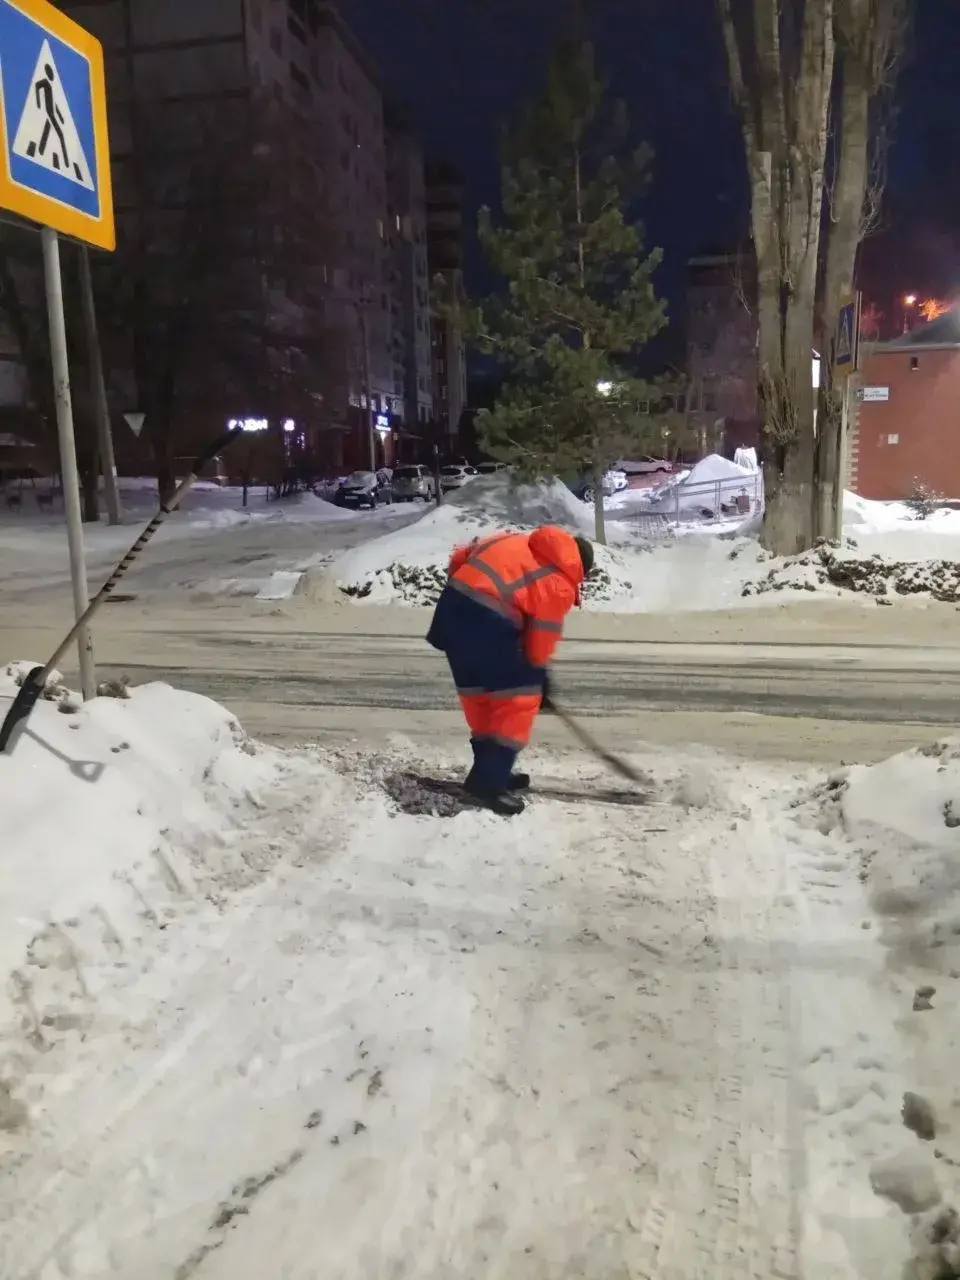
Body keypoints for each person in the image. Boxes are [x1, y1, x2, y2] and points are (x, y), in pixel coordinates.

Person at [427, 525, 594, 815]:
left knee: (479, 693)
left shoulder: (514, 540)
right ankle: (489, 785)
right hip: (489, 619)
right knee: (518, 699)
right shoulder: (560, 580)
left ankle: (489, 771)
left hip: (452, 609)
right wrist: (538, 679)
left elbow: (459, 558)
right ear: (581, 566)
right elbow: (540, 640)